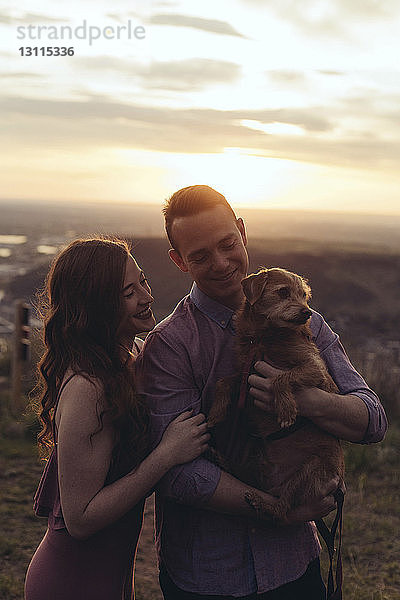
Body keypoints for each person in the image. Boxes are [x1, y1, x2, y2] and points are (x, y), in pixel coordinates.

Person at [136, 185, 388, 600]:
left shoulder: (305, 322)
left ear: (242, 232)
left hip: (292, 565)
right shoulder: (170, 345)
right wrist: (284, 511)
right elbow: (177, 474)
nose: (221, 263)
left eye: (227, 244)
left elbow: (373, 420)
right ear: (178, 261)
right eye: (200, 256)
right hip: (208, 572)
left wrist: (307, 400)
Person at [25, 237, 210, 600]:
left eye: (144, 281)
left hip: (112, 578)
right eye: (129, 291)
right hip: (72, 582)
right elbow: (80, 519)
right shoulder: (87, 387)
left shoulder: (130, 358)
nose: (146, 296)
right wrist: (166, 455)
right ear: (97, 305)